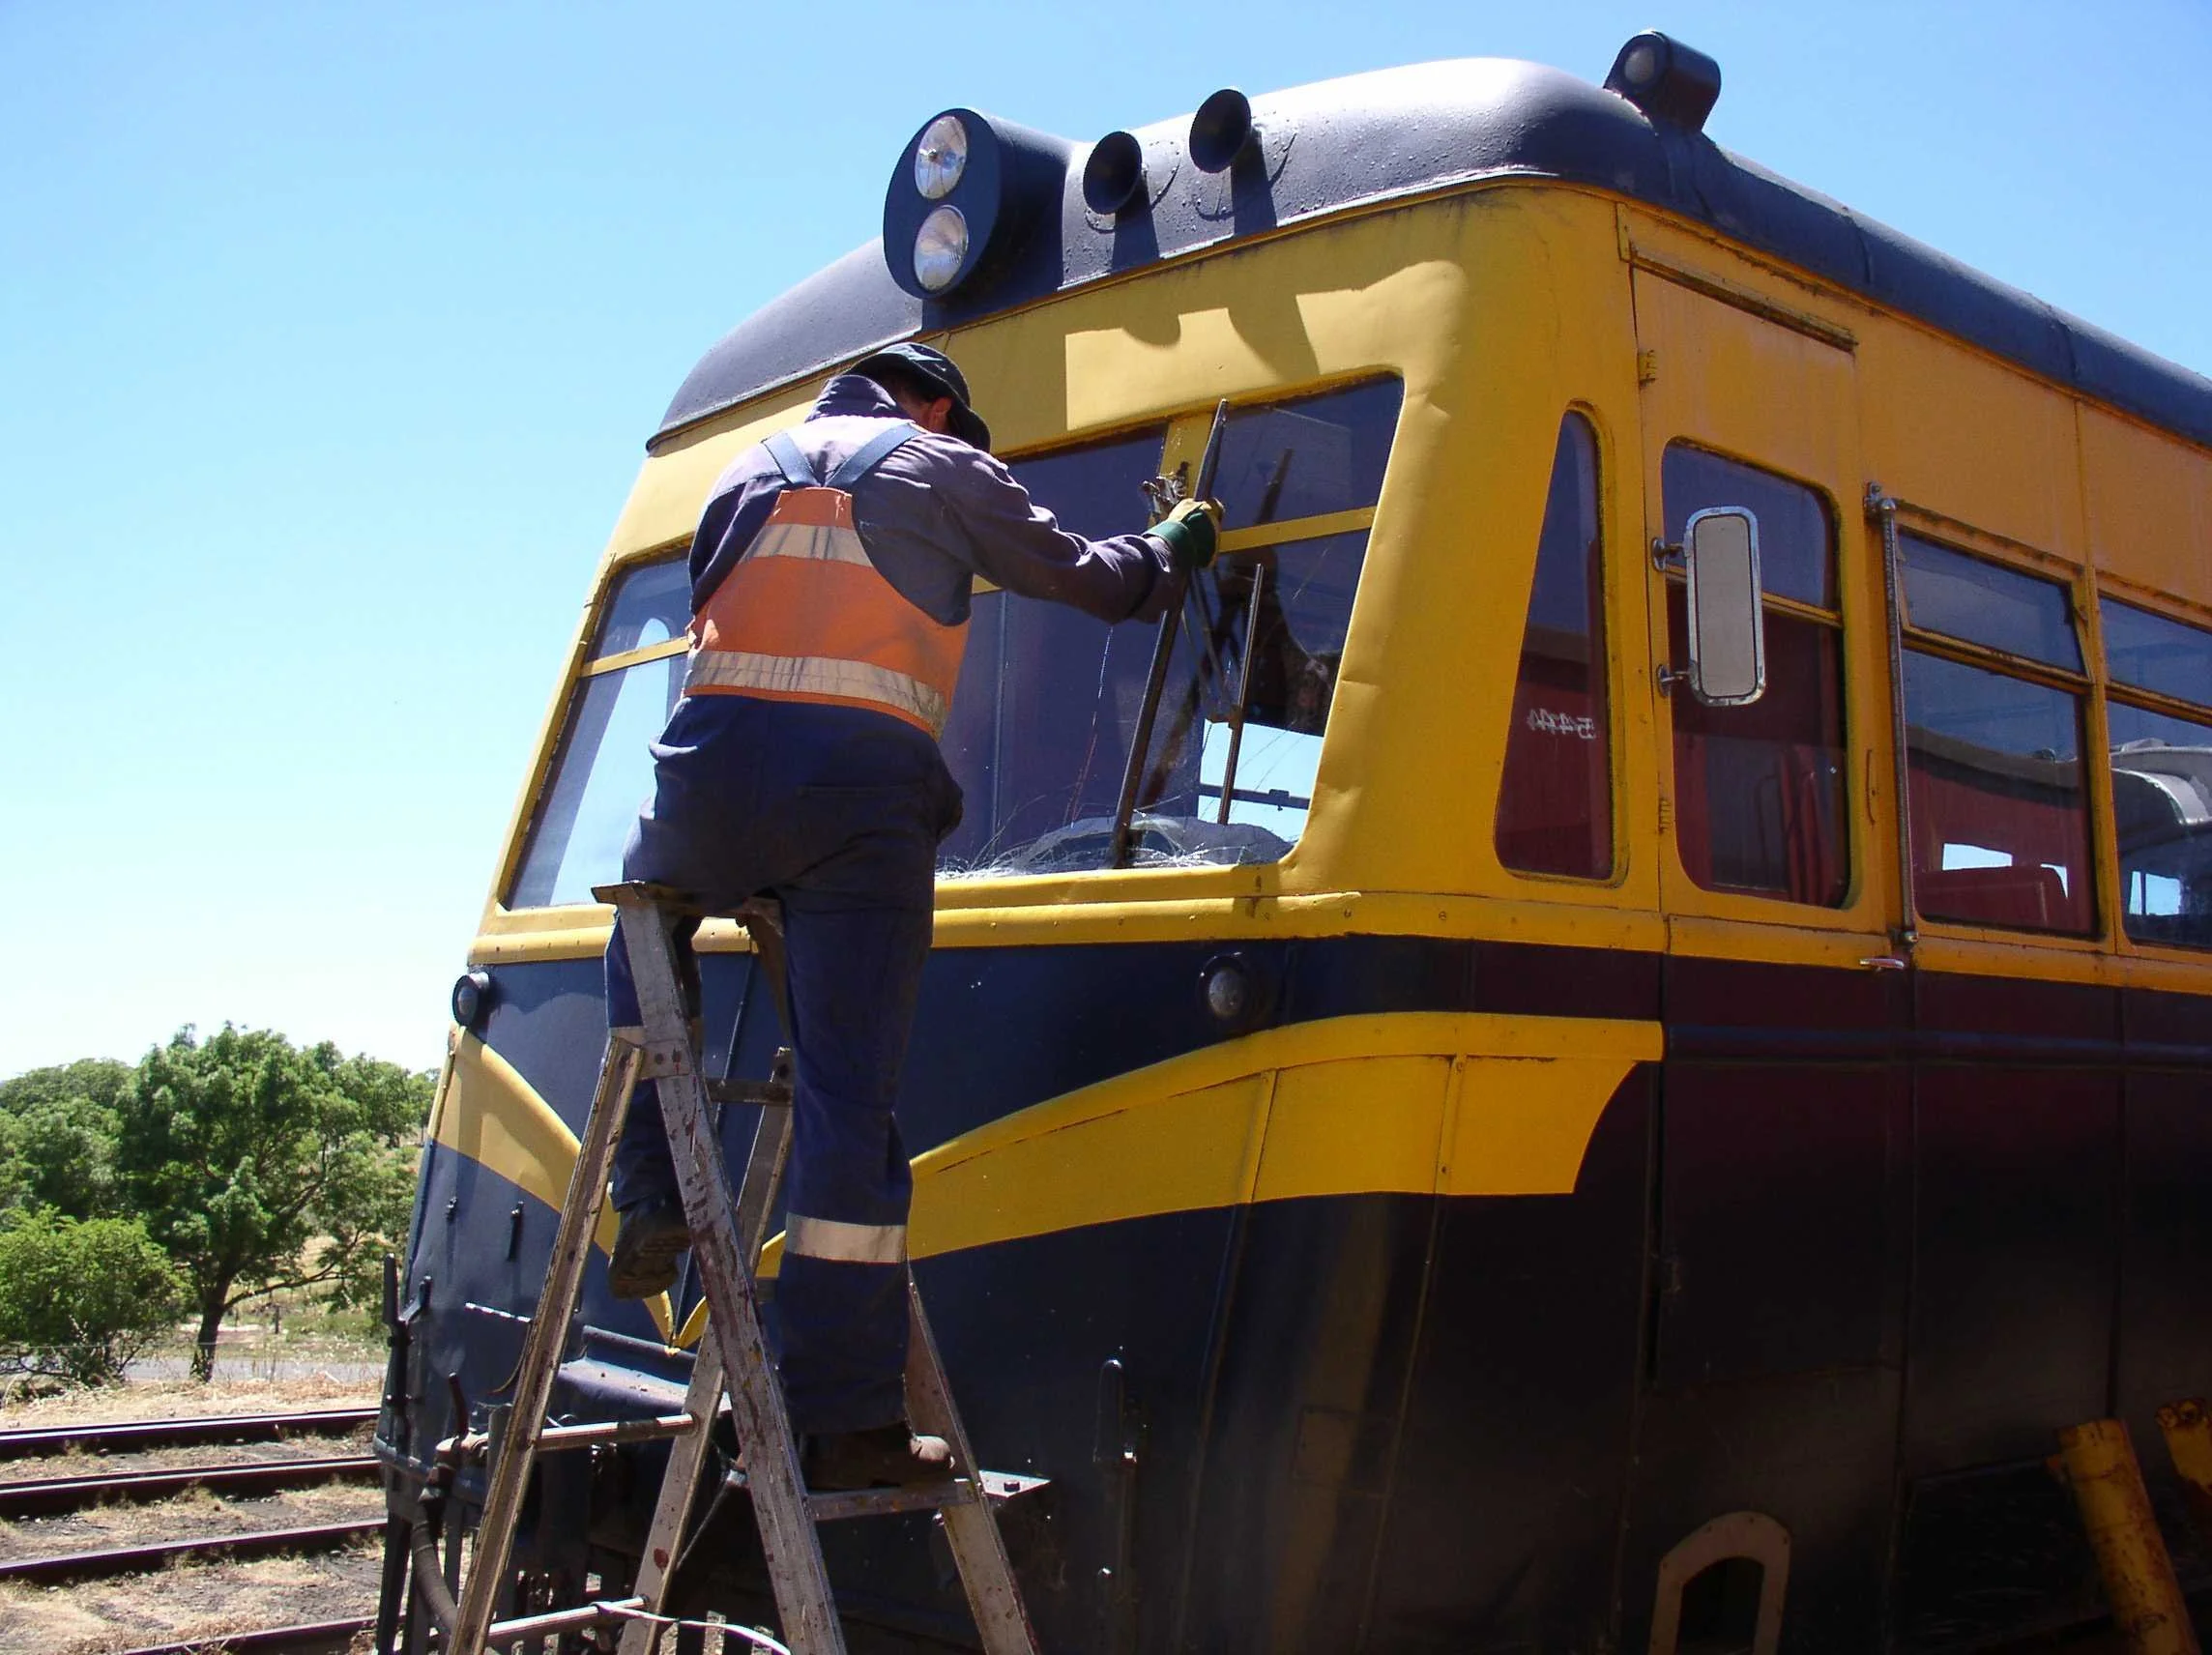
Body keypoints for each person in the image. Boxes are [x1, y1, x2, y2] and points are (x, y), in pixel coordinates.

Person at [600, 343, 1220, 1490]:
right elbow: (1095, 581)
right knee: (846, 1107)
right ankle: (839, 1420)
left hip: (699, 786)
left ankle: (646, 1183)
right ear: (932, 404)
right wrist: (1174, 542)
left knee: (646, 929)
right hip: (852, 810)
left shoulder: (741, 472)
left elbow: (724, 635)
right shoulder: (935, 461)